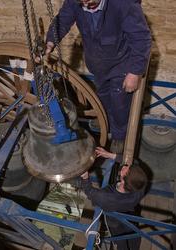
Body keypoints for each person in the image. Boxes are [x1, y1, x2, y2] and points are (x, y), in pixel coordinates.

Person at [45, 0, 152, 153]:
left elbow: (141, 39)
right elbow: (63, 20)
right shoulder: (76, 2)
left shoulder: (124, 4)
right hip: (98, 63)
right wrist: (50, 42)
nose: (85, 4)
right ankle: (105, 121)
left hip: (121, 63)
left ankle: (119, 135)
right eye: (82, 1)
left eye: (89, 1)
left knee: (120, 103)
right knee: (102, 95)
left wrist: (135, 72)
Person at [80, 146, 148, 249]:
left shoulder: (106, 197)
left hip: (114, 221)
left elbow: (89, 191)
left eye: (126, 169)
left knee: (119, 239)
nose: (126, 165)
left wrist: (85, 177)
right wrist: (110, 155)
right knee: (132, 233)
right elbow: (135, 162)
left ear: (123, 180)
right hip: (130, 214)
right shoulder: (140, 185)